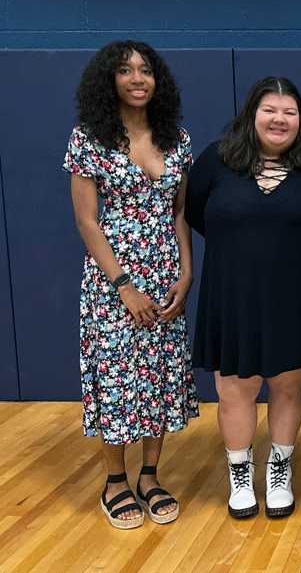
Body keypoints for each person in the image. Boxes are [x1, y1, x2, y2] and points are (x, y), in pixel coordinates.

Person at [64, 40, 198, 529]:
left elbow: (180, 212)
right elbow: (86, 221)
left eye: (145, 70)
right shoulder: (88, 139)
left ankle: (149, 475)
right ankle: (114, 481)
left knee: (158, 377)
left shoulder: (176, 139)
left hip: (165, 273)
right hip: (112, 279)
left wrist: (186, 272)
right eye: (126, 71)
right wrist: (123, 284)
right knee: (118, 379)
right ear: (110, 81)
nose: (138, 78)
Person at [185, 77, 301, 520]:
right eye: (270, 110)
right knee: (234, 390)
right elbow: (192, 211)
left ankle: (279, 470)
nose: (279, 119)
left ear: (299, 120)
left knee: (287, 386)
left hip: (292, 293)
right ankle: (240, 474)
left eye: (289, 111)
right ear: (252, 114)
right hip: (232, 293)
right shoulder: (218, 159)